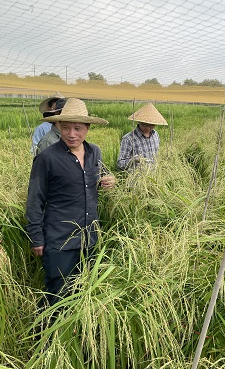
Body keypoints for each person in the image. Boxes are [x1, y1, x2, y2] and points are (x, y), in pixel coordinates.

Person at [25, 98, 115, 307]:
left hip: (89, 238)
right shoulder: (47, 158)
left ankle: (75, 335)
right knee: (57, 296)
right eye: (65, 128)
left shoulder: (95, 153)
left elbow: (97, 178)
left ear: (87, 128)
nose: (71, 134)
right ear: (57, 127)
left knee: (83, 291)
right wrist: (36, 237)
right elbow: (34, 199)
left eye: (77, 128)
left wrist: (107, 181)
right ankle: (47, 336)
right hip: (60, 241)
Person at [117, 102, 168, 171]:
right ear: (139, 122)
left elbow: (157, 155)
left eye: (151, 125)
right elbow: (120, 164)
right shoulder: (128, 139)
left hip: (155, 176)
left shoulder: (155, 135)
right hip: (138, 177)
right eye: (144, 125)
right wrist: (133, 160)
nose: (148, 128)